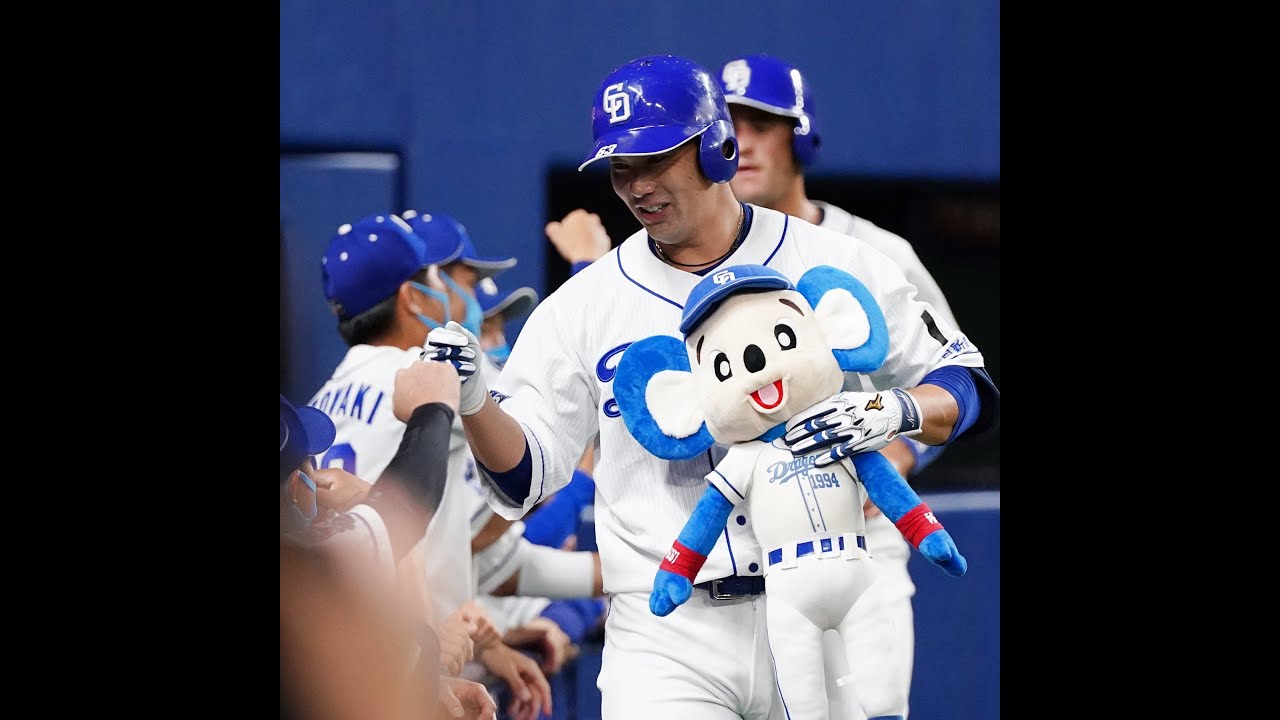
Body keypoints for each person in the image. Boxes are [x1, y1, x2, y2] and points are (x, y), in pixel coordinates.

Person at [423, 54, 998, 720]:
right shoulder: (583, 305)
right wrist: (475, 402)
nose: (637, 185)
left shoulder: (832, 258)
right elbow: (523, 477)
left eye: (655, 158)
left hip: (820, 604)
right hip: (666, 632)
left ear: (714, 147)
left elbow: (967, 381)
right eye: (620, 167)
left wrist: (892, 409)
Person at [719, 52, 961, 718]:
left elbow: (954, 377)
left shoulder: (874, 252)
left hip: (860, 542)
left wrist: (901, 455)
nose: (743, 143)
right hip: (744, 548)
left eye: (762, 125)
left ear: (799, 136)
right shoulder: (701, 262)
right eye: (729, 126)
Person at [311, 211, 553, 720]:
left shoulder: (320, 404)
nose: (445, 291)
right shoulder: (429, 372)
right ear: (410, 297)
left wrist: (488, 645)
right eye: (435, 279)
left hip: (349, 663)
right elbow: (540, 450)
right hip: (412, 666)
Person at [280, 365, 498, 720]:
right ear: (296, 488)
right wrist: (433, 407)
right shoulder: (307, 574)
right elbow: (405, 505)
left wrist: (422, 680)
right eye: (309, 465)